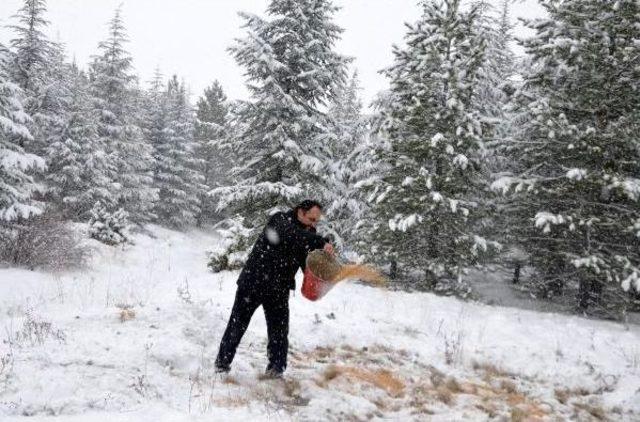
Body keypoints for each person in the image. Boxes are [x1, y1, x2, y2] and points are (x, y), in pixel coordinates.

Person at [214, 200, 334, 378]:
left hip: (279, 287)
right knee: (237, 324)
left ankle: (276, 370)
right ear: (300, 212)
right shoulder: (280, 220)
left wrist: (321, 270)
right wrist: (319, 242)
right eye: (311, 219)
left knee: (279, 331)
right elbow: (290, 235)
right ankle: (222, 365)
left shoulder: (309, 233)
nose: (314, 223)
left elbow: (306, 262)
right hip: (253, 282)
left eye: (316, 221)